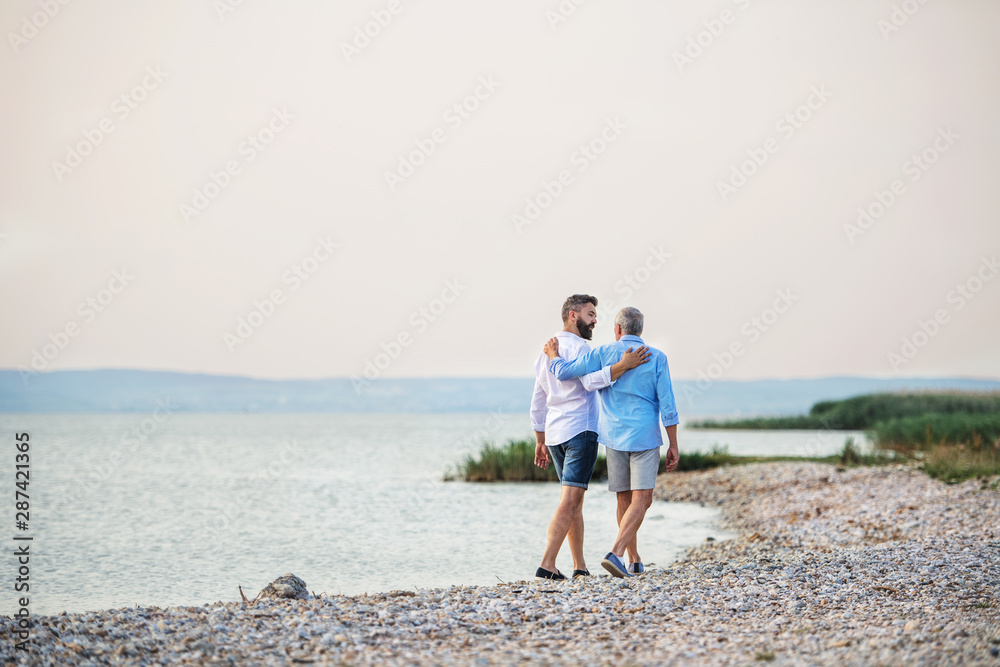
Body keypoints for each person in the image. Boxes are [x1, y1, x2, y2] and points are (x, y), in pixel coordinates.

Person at [543, 306, 679, 578]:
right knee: (643, 499)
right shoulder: (657, 357)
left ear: (617, 329)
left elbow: (565, 372)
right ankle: (616, 553)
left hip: (614, 438)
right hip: (644, 437)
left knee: (624, 499)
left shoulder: (603, 353)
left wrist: (554, 356)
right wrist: (673, 443)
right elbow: (668, 404)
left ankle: (633, 559)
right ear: (640, 330)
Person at [530, 295, 650, 581]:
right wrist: (623, 366)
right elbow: (590, 382)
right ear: (573, 315)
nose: (595, 320)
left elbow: (538, 399)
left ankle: (579, 567)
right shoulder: (582, 348)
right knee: (570, 500)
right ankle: (547, 564)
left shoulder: (546, 351)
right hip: (580, 431)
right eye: (590, 314)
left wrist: (539, 439)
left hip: (555, 435)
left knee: (574, 501)